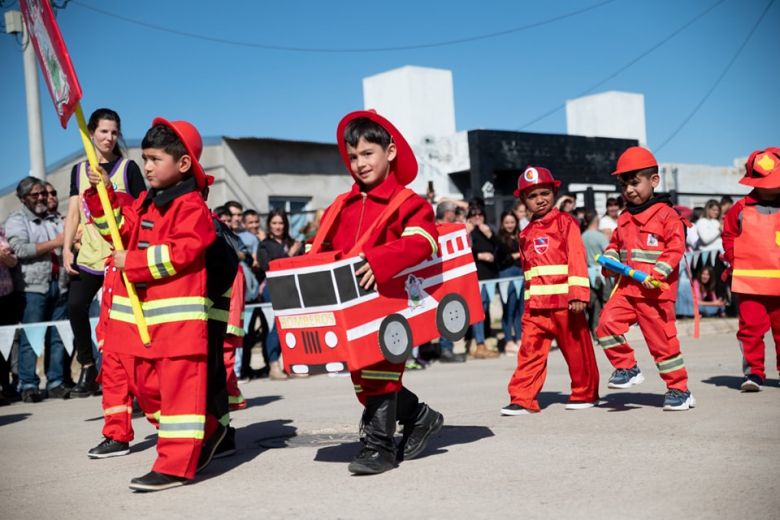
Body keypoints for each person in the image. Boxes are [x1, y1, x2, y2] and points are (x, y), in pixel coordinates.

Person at [307, 110, 444, 475]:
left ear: (391, 152)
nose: (359, 164)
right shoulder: (341, 205)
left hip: (390, 304)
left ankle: (379, 447)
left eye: (368, 154)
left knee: (383, 374)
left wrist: (380, 260)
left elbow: (423, 242)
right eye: (353, 157)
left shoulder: (410, 202)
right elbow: (327, 248)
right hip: (350, 308)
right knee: (364, 383)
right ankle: (420, 416)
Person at [83, 118, 215, 491]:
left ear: (184, 164)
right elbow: (116, 228)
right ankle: (208, 433)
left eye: (156, 159)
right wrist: (102, 196)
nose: (148, 166)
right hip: (140, 324)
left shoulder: (191, 207)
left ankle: (174, 465)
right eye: (145, 158)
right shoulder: (145, 203)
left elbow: (181, 253)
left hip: (176, 326)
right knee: (146, 388)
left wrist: (134, 263)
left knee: (177, 397)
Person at [595, 146, 694, 411]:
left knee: (662, 344)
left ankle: (679, 390)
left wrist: (658, 271)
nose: (628, 189)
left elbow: (675, 247)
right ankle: (627, 368)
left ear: (654, 181)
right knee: (605, 325)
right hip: (628, 289)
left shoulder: (667, 215)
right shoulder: (625, 216)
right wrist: (611, 260)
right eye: (623, 184)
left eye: (634, 182)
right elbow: (615, 244)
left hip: (656, 293)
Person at [501, 167, 598, 415]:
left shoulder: (566, 223)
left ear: (554, 193)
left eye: (544, 193)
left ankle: (584, 393)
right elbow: (528, 272)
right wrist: (528, 303)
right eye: (532, 196)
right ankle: (522, 398)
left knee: (577, 350)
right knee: (529, 352)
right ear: (523, 201)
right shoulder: (525, 233)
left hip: (566, 303)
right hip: (535, 307)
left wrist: (578, 294)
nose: (540, 199)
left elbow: (577, 257)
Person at [63, 108, 146, 398]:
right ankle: (87, 364)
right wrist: (65, 249)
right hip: (88, 254)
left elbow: (141, 211)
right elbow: (73, 212)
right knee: (75, 306)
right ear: (92, 133)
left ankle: (135, 382)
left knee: (126, 320)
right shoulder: (78, 170)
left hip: (119, 255)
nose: (109, 137)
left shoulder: (129, 169)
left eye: (114, 132)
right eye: (103, 131)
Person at [5, 177, 69, 402]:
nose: (42, 197)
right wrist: (57, 242)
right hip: (32, 288)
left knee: (58, 337)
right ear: (23, 199)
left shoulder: (54, 219)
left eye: (43, 193)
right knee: (31, 337)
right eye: (35, 194)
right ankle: (29, 385)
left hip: (59, 284)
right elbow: (20, 249)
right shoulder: (16, 219)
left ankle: (56, 382)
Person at [721, 147, 780, 392]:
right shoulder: (740, 209)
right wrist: (736, 262)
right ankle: (754, 373)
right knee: (750, 331)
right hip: (750, 285)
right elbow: (729, 236)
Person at [258, 209, 303, 380]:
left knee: (293, 325)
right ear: (269, 225)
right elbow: (267, 265)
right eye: (274, 223)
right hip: (273, 288)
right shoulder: (265, 245)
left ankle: (291, 363)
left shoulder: (293, 242)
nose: (278, 227)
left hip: (293, 287)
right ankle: (273, 364)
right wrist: (290, 254)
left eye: (281, 223)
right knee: (277, 325)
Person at [466, 205, 501, 359]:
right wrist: (479, 256)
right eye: (474, 214)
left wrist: (490, 235)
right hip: (476, 277)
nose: (477, 216)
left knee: (484, 310)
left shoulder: (489, 230)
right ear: (469, 217)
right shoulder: (467, 232)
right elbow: (463, 252)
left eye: (480, 213)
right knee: (477, 312)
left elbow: (501, 248)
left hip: (489, 277)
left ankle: (481, 342)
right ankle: (479, 344)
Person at [496, 211, 523, 355]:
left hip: (520, 273)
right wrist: (516, 256)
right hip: (506, 274)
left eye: (512, 222)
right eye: (507, 222)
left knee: (521, 309)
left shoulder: (521, 235)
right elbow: (501, 259)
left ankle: (519, 338)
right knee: (509, 308)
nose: (510, 225)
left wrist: (515, 256)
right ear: (502, 223)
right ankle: (508, 341)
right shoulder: (499, 238)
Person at [581, 210, 611, 336]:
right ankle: (605, 330)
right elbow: (608, 254)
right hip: (601, 273)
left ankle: (594, 331)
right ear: (596, 221)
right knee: (606, 302)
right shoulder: (600, 237)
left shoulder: (582, 236)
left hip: (587, 273)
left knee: (593, 305)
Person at [0, 224, 19, 405]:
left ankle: (6, 387)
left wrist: (5, 257)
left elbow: (13, 261)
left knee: (5, 345)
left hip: (5, 294)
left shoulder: (2, 230)